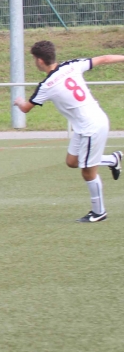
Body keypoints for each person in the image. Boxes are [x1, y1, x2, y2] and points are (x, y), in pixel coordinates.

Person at [15, 41, 124, 223]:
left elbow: (26, 108)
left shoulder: (47, 85)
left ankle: (99, 212)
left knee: (88, 172)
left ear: (40, 61)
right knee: (72, 161)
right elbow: (104, 58)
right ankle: (112, 160)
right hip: (87, 124)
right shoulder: (72, 65)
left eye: (34, 59)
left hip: (91, 127)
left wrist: (19, 101)